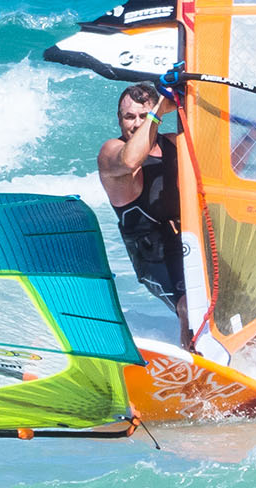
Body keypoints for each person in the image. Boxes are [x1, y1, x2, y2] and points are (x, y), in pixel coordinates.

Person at [98, 82, 189, 346]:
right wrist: (158, 110)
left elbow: (215, 165)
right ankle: (195, 382)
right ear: (119, 119)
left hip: (188, 241)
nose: (137, 123)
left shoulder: (173, 144)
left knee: (239, 308)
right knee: (189, 307)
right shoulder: (111, 153)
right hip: (151, 254)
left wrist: (254, 134)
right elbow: (131, 160)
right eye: (129, 117)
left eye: (142, 115)